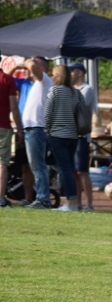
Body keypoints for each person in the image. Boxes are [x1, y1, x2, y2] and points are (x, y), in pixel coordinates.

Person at [43, 64, 80, 211]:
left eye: (54, 74)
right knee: (69, 169)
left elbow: (48, 113)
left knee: (64, 169)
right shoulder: (76, 92)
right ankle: (74, 201)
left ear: (58, 76)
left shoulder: (55, 91)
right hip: (73, 135)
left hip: (58, 134)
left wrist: (47, 130)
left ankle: (70, 202)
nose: (52, 77)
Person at [19, 57, 53, 209]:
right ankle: (41, 198)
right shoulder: (38, 84)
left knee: (38, 166)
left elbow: (32, 66)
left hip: (36, 129)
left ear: (42, 69)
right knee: (36, 166)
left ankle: (43, 199)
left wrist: (26, 62)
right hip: (32, 129)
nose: (28, 67)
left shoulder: (44, 81)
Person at [68, 62, 98, 212]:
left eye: (71, 71)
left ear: (79, 73)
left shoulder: (88, 89)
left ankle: (89, 204)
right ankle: (77, 203)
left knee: (82, 171)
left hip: (81, 135)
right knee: (74, 171)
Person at [0, 56, 24, 208]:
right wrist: (19, 129)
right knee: (2, 163)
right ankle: (0, 198)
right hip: (3, 126)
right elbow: (14, 107)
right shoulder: (7, 79)